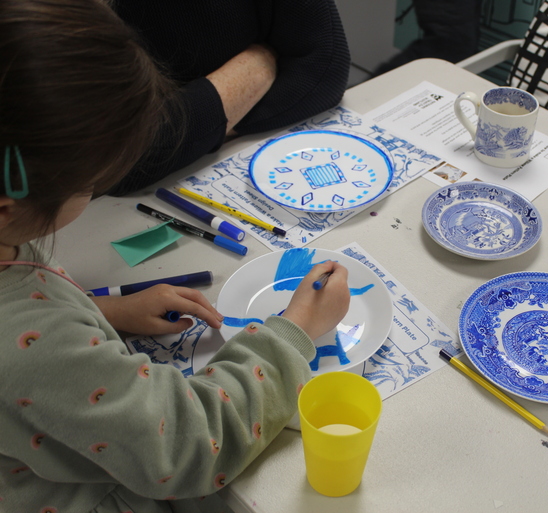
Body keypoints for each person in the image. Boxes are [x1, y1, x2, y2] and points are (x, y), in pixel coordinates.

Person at [0, 1, 350, 511]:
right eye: (92, 183)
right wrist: (294, 329)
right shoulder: (31, 344)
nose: (97, 189)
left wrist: (101, 313)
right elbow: (188, 446)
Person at [108, 0, 351, 196]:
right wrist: (256, 70)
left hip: (228, 162)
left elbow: (325, 70)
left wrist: (194, 129)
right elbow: (114, 159)